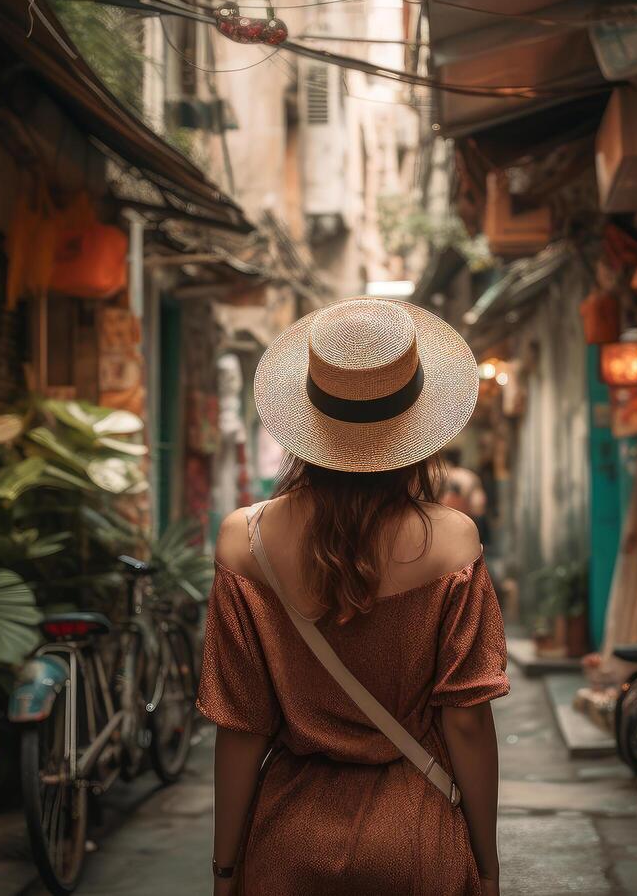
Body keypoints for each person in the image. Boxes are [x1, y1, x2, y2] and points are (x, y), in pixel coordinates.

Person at [197, 298, 509, 896]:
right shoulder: (451, 540)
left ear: (309, 422)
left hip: (288, 838)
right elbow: (467, 723)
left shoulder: (244, 541)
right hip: (417, 838)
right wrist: (487, 865)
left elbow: (240, 725)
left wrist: (226, 869)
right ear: (416, 427)